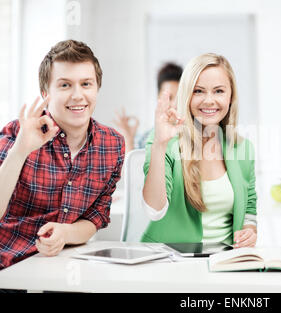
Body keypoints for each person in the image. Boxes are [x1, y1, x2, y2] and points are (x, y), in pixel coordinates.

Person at [0, 40, 125, 270]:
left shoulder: (112, 144)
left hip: (64, 269)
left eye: (86, 84)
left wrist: (65, 233)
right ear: (46, 93)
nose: (78, 95)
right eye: (65, 85)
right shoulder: (19, 132)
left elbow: (95, 217)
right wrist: (19, 151)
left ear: (97, 88)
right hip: (9, 268)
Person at [141, 53, 257, 248]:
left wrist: (250, 232)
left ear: (231, 97)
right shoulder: (165, 139)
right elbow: (154, 210)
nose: (209, 100)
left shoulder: (242, 148)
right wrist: (159, 146)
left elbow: (249, 209)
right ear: (186, 95)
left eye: (219, 91)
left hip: (225, 260)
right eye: (198, 91)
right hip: (170, 259)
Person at [113, 63, 183, 153]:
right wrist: (129, 140)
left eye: (180, 97)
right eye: (169, 97)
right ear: (159, 98)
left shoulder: (192, 138)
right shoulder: (144, 140)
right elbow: (133, 166)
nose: (175, 104)